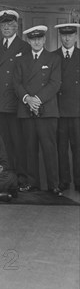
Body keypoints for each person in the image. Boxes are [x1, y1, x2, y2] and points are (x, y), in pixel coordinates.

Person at [14, 25, 62, 195]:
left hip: (47, 110)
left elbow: (55, 83)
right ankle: (32, 182)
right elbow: (17, 84)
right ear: (29, 40)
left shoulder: (53, 59)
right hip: (27, 109)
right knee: (29, 148)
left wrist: (38, 100)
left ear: (44, 40)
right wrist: (28, 99)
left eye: (39, 39)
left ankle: (54, 184)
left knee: (49, 148)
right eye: (33, 39)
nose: (36, 41)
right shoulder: (20, 60)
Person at [0, 9, 30, 181]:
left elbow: (28, 77)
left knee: (18, 141)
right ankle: (5, 173)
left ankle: (21, 174)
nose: (6, 28)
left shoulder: (24, 47)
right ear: (0, 27)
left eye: (10, 25)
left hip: (15, 101)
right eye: (3, 25)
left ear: (16, 27)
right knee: (3, 141)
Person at [54, 23, 80, 191]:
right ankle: (64, 181)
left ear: (76, 37)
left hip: (78, 110)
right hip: (59, 110)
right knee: (61, 149)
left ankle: (79, 182)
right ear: (60, 37)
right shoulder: (53, 56)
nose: (67, 38)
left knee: (78, 148)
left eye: (70, 35)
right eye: (64, 35)